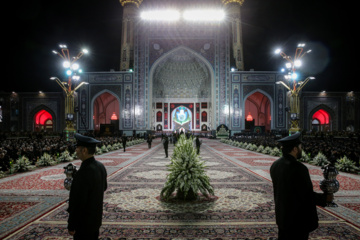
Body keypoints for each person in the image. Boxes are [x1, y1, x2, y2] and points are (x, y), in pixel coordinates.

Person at [270, 132, 333, 240]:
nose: (301, 149)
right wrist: (325, 199)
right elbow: (306, 195)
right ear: (294, 149)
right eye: (300, 147)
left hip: (282, 215)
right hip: (297, 219)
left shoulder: (275, 165)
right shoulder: (299, 168)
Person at [67, 133, 108, 240]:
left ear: (84, 150)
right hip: (95, 219)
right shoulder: (100, 166)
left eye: (77, 148)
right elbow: (104, 187)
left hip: (83, 223)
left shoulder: (83, 172)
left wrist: (71, 225)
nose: (75, 151)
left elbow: (77, 203)